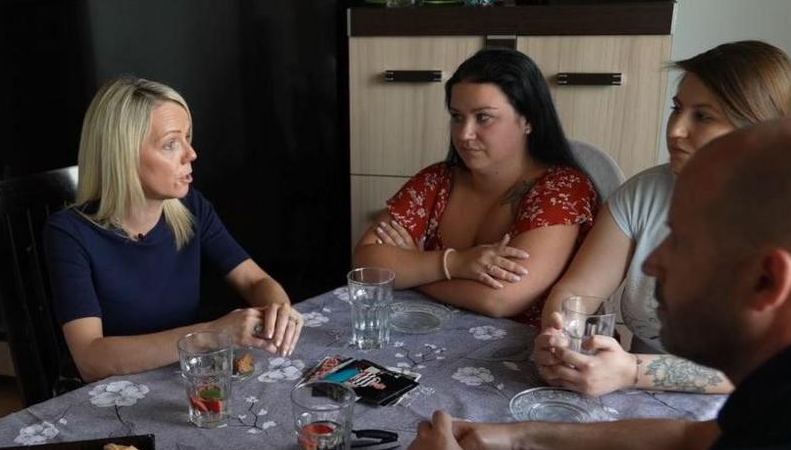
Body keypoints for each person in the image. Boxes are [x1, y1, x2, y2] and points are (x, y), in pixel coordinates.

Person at [401, 117, 791, 450]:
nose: (650, 263)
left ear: (767, 282)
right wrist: (515, 439)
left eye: (680, 239)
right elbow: (688, 444)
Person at [535, 41, 791, 396]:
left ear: (756, 127)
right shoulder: (645, 192)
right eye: (677, 109)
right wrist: (560, 342)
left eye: (703, 116)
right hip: (628, 392)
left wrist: (633, 370)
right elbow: (577, 292)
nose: (676, 129)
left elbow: (767, 365)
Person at [45, 76, 302, 382]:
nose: (191, 154)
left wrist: (277, 310)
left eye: (188, 138)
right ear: (123, 156)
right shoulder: (68, 234)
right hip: (108, 397)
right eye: (170, 144)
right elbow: (91, 359)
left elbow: (255, 279)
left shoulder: (192, 209)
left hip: (183, 379)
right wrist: (211, 334)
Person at [352, 48, 598, 326]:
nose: (464, 134)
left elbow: (501, 298)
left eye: (483, 117)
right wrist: (454, 264)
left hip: (529, 357)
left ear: (528, 120)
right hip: (431, 341)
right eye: (457, 117)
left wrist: (413, 271)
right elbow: (366, 267)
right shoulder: (436, 181)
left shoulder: (562, 189)